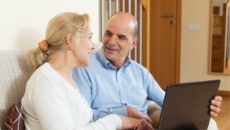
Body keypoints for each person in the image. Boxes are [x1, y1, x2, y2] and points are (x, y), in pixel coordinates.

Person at [72, 12, 222, 127]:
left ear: (133, 43)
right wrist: (125, 112)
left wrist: (203, 105)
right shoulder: (85, 67)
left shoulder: (140, 72)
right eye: (108, 33)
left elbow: (168, 101)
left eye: (121, 37)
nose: (111, 42)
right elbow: (83, 115)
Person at [21, 12, 154, 130]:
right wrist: (116, 121)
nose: (93, 46)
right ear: (70, 40)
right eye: (89, 37)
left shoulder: (66, 79)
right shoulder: (46, 81)